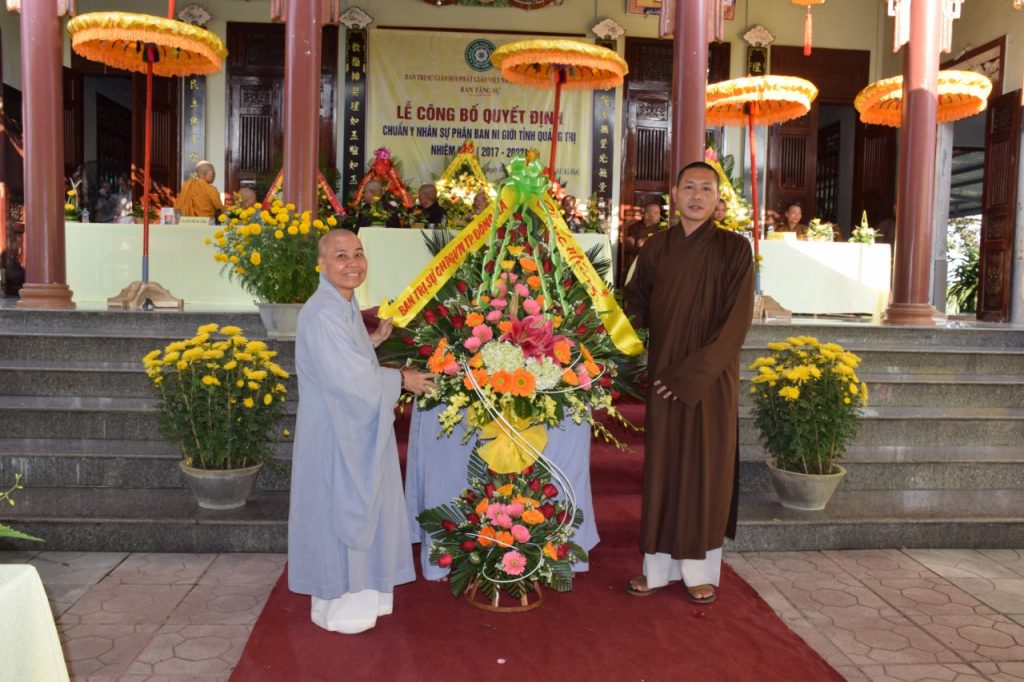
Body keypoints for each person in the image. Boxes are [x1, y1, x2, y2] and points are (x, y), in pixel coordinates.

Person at [288, 228, 437, 634]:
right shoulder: (323, 311)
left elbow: (343, 355)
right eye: (341, 255)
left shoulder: (342, 303)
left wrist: (372, 339)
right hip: (336, 431)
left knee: (357, 507)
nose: (352, 263)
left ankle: (359, 595)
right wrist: (402, 379)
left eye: (358, 253)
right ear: (321, 263)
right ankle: (342, 603)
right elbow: (348, 378)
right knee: (344, 510)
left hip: (347, 425)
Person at [623, 161, 754, 605]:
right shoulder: (657, 247)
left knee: (705, 469)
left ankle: (699, 570)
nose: (697, 196)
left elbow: (736, 323)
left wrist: (690, 374)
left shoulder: (735, 249)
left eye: (706, 189)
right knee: (664, 469)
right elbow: (634, 302)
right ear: (674, 194)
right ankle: (656, 570)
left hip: (711, 380)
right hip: (664, 376)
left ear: (718, 199)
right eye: (689, 187)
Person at [621, 201, 662, 282]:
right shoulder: (633, 227)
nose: (659, 216)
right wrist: (644, 243)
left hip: (651, 265)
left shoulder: (659, 230)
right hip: (634, 263)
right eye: (656, 213)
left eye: (659, 213)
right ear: (647, 216)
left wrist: (644, 241)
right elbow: (631, 246)